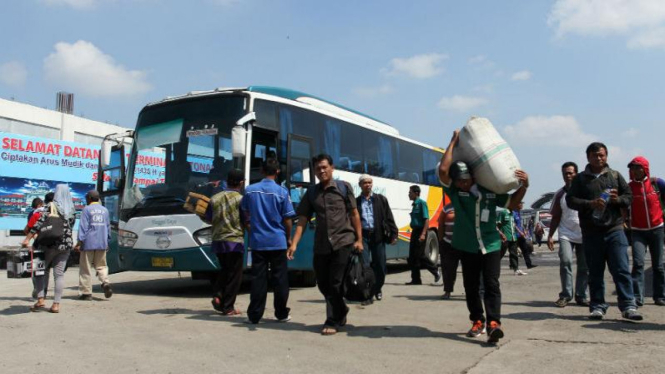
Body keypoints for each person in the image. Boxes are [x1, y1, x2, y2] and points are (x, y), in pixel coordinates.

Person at [439, 129, 529, 344]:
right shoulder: (455, 192)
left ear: (473, 176)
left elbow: (513, 203)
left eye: (465, 179)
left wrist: (525, 185)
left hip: (491, 244)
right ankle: (477, 320)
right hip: (467, 245)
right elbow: (443, 170)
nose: (462, 183)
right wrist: (452, 141)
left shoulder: (490, 192)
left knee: (491, 284)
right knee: (470, 285)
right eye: (459, 180)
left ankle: (494, 323)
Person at [288, 154, 363, 336]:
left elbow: (354, 214)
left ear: (332, 167)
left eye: (324, 167)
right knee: (322, 283)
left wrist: (359, 240)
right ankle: (342, 310)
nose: (321, 171)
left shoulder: (343, 188)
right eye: (317, 169)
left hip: (343, 242)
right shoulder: (312, 193)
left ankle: (332, 320)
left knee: (335, 283)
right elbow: (303, 220)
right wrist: (294, 243)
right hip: (321, 244)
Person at [566, 142, 642, 321]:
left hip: (615, 229)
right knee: (595, 271)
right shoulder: (580, 179)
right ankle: (598, 306)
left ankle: (628, 305)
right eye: (594, 155)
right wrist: (590, 204)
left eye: (601, 155)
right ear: (588, 157)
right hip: (591, 232)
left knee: (621, 269)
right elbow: (570, 201)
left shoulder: (615, 176)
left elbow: (629, 197)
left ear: (606, 156)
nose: (598, 158)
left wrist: (617, 200)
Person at [241, 159, 295, 323]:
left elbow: (245, 214)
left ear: (262, 171)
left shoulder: (250, 191)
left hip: (258, 242)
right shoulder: (282, 192)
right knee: (280, 279)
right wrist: (288, 238)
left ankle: (255, 315)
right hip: (278, 241)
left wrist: (251, 230)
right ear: (277, 172)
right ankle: (281, 313)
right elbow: (287, 219)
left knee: (258, 279)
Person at [22, 184, 76, 314]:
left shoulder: (50, 206)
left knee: (40, 271)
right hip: (66, 244)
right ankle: (56, 305)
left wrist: (27, 239)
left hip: (48, 244)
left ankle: (41, 299)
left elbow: (38, 224)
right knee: (59, 275)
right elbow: (70, 226)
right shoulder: (71, 210)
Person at [548, 162, 589, 308]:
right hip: (566, 234)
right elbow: (555, 217)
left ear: (576, 174)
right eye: (565, 173)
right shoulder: (560, 194)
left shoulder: (585, 191)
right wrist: (550, 236)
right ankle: (566, 295)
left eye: (571, 173)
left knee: (584, 267)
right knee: (565, 261)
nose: (568, 176)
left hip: (584, 234)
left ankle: (581, 295)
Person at [206, 169, 246, 316]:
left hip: (218, 241)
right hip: (234, 241)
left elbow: (208, 217)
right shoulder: (241, 199)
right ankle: (228, 307)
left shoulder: (214, 198)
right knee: (235, 275)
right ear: (241, 183)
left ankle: (218, 296)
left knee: (225, 269)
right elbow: (245, 219)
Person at [627, 156, 665, 306]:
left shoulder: (657, 184)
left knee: (659, 265)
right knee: (638, 263)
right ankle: (637, 297)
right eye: (632, 168)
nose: (635, 170)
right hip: (638, 231)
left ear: (645, 168)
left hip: (657, 229)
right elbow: (623, 205)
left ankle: (660, 296)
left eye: (638, 167)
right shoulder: (629, 188)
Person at [356, 174, 398, 304]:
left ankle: (377, 288)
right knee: (365, 266)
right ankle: (368, 294)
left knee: (380, 266)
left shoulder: (381, 199)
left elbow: (389, 217)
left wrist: (393, 234)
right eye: (365, 183)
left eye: (369, 182)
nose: (367, 185)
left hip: (378, 236)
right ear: (360, 185)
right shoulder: (356, 202)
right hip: (363, 237)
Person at [74, 190, 112, 300]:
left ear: (89, 198)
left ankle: (86, 293)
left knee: (85, 268)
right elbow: (108, 227)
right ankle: (105, 282)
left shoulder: (87, 209)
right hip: (102, 242)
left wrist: (79, 243)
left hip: (88, 243)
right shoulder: (105, 210)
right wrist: (107, 241)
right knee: (102, 266)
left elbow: (83, 227)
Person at [405, 185, 441, 285]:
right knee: (412, 257)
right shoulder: (414, 204)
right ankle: (416, 279)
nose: (409, 194)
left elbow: (426, 220)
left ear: (416, 193)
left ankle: (436, 271)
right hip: (414, 232)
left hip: (421, 231)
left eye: (410, 192)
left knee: (420, 255)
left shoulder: (422, 203)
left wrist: (423, 234)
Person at [438, 202, 460, 299]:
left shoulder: (467, 205)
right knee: (448, 269)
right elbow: (441, 224)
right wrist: (441, 241)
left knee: (469, 271)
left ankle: (470, 292)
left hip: (465, 244)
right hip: (448, 244)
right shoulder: (446, 208)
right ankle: (447, 291)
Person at [497, 208, 527, 275]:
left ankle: (516, 269)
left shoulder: (513, 213)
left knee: (514, 254)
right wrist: (501, 234)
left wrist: (520, 232)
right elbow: (497, 225)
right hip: (505, 237)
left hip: (513, 237)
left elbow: (513, 225)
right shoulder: (503, 213)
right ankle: (492, 267)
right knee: (500, 253)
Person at [514, 202, 537, 270]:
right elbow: (513, 224)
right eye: (520, 203)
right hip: (515, 235)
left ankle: (529, 264)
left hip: (521, 235)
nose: (522, 205)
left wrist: (523, 231)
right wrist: (520, 232)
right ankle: (515, 267)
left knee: (525, 250)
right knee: (513, 251)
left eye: (522, 204)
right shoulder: (513, 213)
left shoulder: (519, 213)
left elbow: (519, 224)